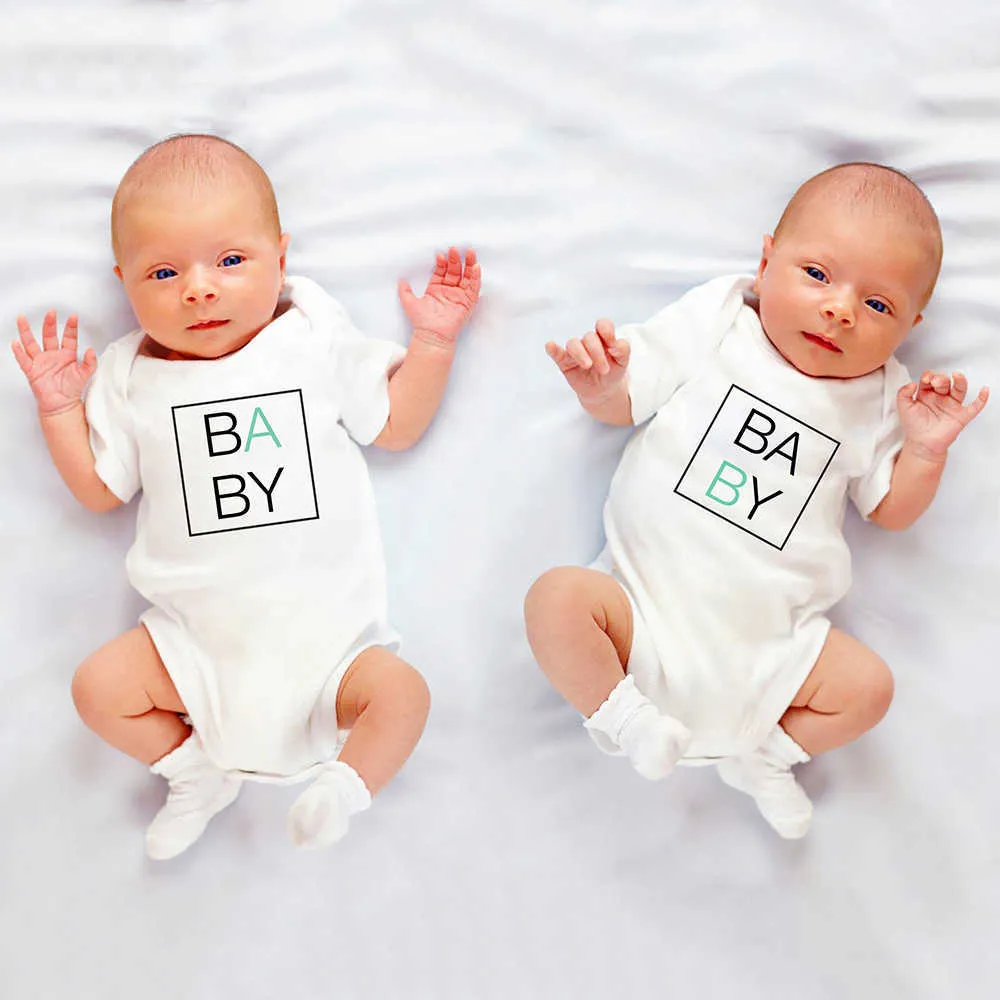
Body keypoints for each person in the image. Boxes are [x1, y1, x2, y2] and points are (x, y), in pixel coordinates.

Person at [12, 134, 481, 859]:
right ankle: (193, 771)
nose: (199, 288)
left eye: (231, 261)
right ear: (124, 283)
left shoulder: (311, 335)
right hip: (191, 649)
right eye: (163, 272)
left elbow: (393, 426)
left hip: (330, 651)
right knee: (97, 688)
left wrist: (434, 344)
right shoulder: (131, 375)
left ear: (281, 257)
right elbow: (102, 491)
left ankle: (343, 790)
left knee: (403, 696)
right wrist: (59, 412)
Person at [524, 163, 988, 838]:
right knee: (557, 600)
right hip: (641, 614)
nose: (840, 310)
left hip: (772, 657)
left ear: (910, 327)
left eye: (879, 306)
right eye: (818, 275)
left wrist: (924, 450)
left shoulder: (883, 397)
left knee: (869, 689)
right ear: (767, 260)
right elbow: (628, 400)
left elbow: (890, 510)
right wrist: (603, 383)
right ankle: (626, 718)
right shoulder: (721, 321)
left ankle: (765, 756)